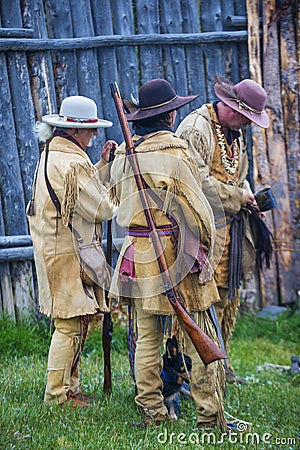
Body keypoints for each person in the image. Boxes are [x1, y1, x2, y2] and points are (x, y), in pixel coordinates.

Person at [109, 79, 227, 430]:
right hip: (175, 253)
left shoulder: (123, 154)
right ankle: (209, 416)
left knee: (147, 337)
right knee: (199, 333)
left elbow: (115, 202)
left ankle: (152, 412)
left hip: (137, 251)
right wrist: (203, 243)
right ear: (170, 114)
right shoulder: (176, 152)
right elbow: (198, 210)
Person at [176, 76, 270, 384]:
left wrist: (248, 196)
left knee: (229, 299)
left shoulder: (236, 133)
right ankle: (191, 371)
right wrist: (240, 197)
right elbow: (195, 182)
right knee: (201, 300)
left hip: (230, 231)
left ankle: (221, 364)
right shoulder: (196, 128)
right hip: (201, 230)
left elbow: (237, 175)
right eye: (246, 117)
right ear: (232, 107)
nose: (248, 124)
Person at [27, 95, 116, 408]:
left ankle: (70, 388)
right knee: (69, 325)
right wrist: (114, 187)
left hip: (57, 249)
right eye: (90, 130)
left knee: (75, 321)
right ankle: (57, 396)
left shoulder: (54, 152)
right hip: (67, 254)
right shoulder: (73, 162)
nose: (94, 135)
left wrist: (103, 166)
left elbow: (80, 191)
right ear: (75, 132)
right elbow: (102, 208)